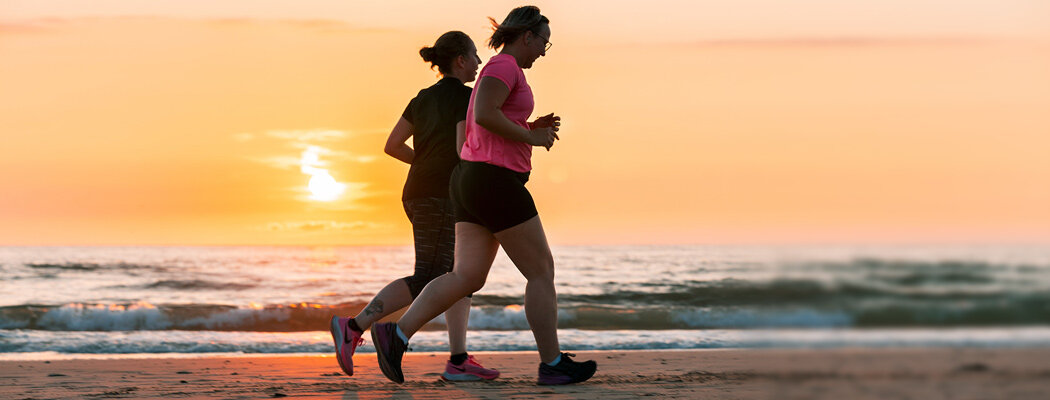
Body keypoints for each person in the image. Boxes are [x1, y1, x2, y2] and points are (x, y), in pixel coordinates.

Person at [371, 6, 597, 385]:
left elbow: (489, 121)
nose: (543, 50)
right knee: (541, 271)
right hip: (494, 182)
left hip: (472, 181)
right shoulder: (503, 67)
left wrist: (526, 124)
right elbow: (484, 115)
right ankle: (552, 363)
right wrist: (531, 136)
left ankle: (395, 334)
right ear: (527, 36)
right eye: (544, 41)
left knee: (466, 276)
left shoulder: (497, 69)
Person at [329, 30, 499, 382]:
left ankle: (459, 359)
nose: (479, 63)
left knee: (459, 275)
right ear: (460, 60)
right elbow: (459, 150)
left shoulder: (421, 98)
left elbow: (392, 145)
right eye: (474, 56)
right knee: (430, 275)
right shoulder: (466, 98)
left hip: (419, 190)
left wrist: (423, 163)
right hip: (440, 194)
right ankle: (354, 325)